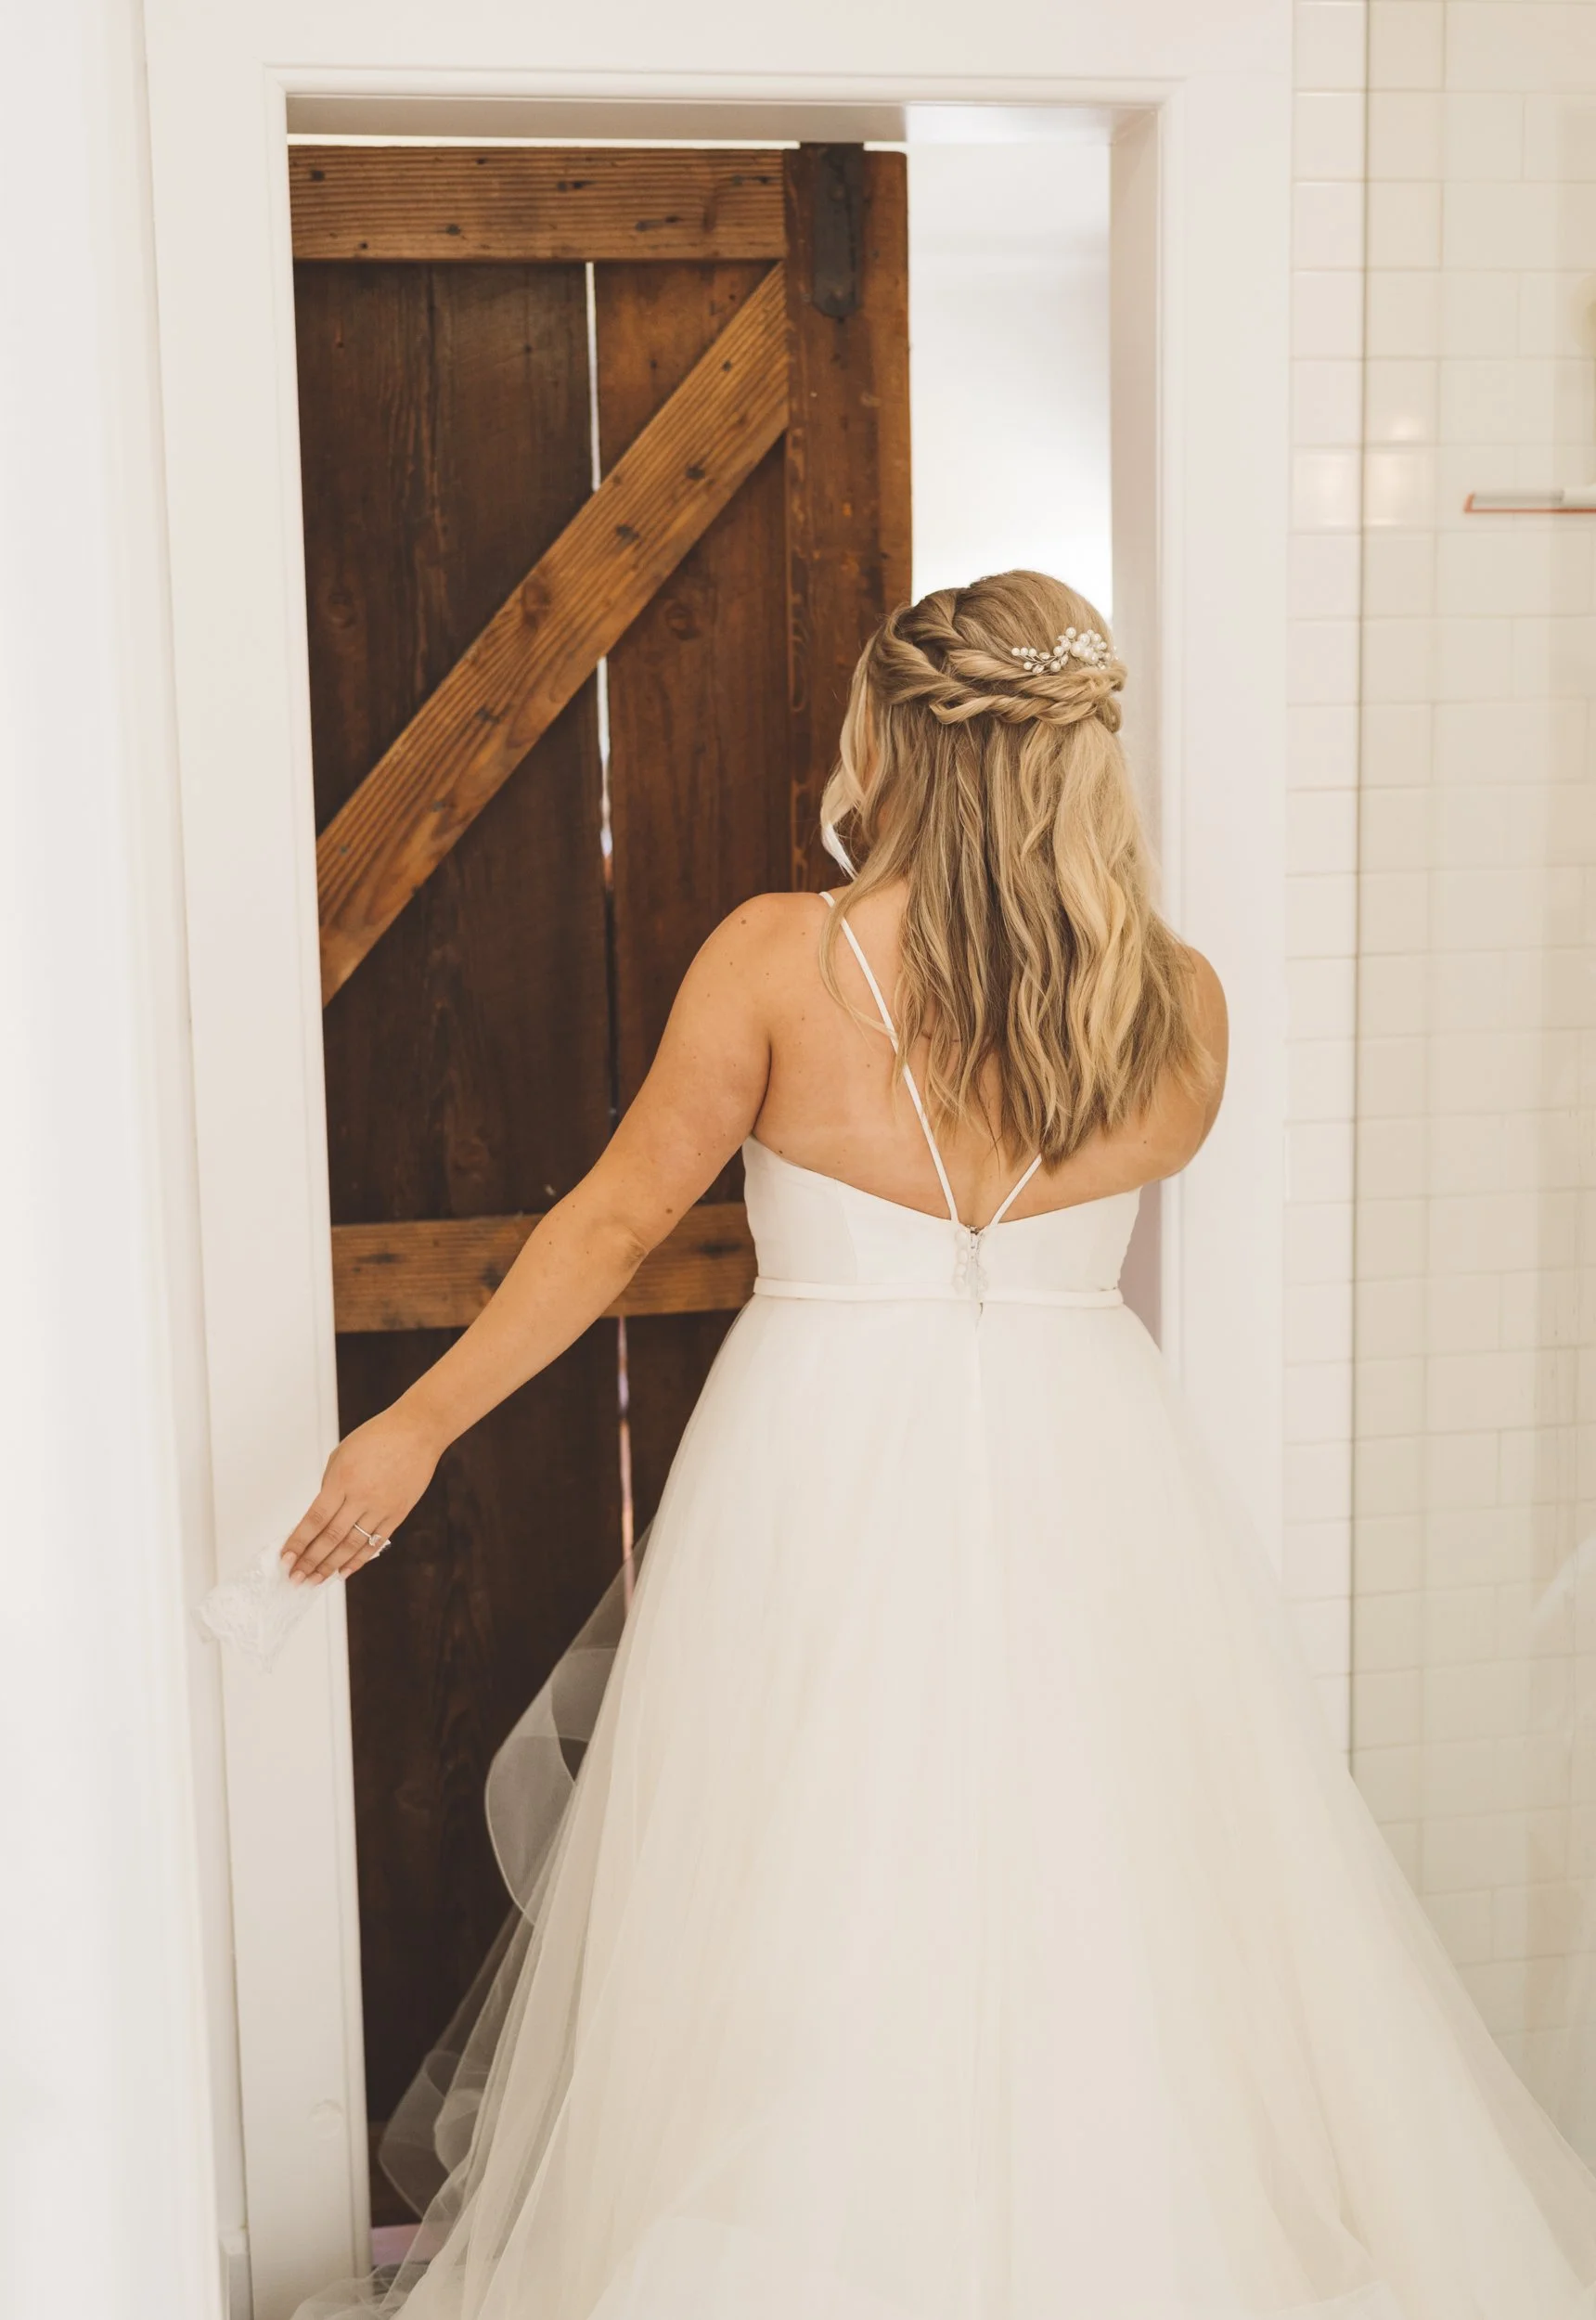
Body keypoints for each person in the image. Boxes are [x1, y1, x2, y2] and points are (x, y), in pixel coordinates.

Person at [285, 574, 1596, 2319]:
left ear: (894, 742)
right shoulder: (1180, 1006)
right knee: (1103, 1866)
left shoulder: (779, 959)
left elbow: (608, 1227)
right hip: (1091, 1471)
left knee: (800, 1872)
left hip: (820, 1462)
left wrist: (415, 1426)